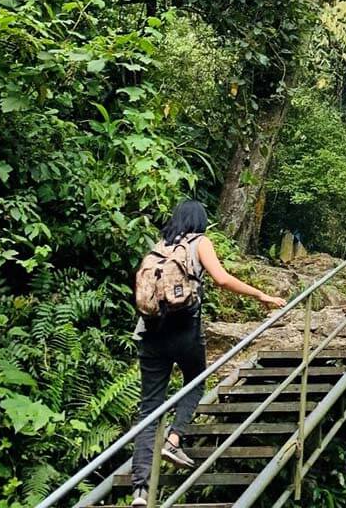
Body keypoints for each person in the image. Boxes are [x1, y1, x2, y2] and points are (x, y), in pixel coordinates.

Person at [130, 201, 286, 506]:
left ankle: (140, 490)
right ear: (200, 222)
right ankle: (174, 439)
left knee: (150, 410)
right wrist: (261, 295)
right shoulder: (199, 242)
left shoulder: (159, 247)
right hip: (185, 331)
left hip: (150, 333)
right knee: (196, 380)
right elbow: (222, 279)